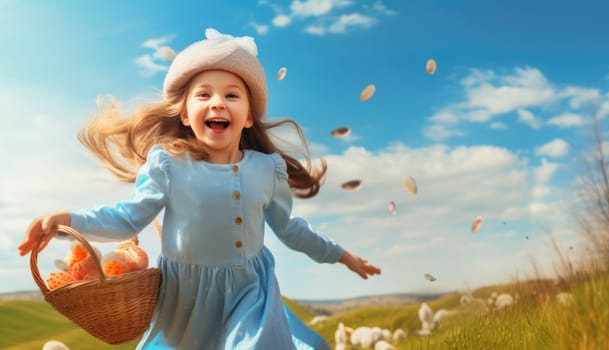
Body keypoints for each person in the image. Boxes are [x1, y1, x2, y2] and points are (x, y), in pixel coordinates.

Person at [18, 28, 381, 349]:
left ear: (249, 116)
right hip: (186, 303)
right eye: (203, 94)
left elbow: (290, 230)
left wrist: (342, 255)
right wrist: (65, 221)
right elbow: (126, 219)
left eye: (232, 95)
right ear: (186, 115)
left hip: (250, 293)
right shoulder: (168, 165)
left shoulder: (267, 169)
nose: (218, 102)